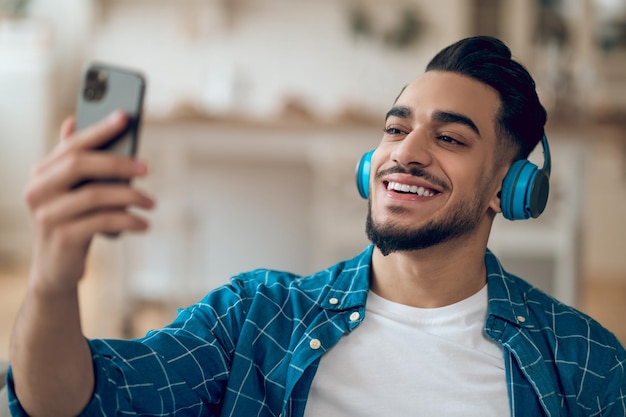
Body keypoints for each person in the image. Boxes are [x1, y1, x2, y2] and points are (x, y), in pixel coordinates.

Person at [5, 35, 626, 417]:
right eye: (394, 127)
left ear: (508, 188)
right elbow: (73, 402)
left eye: (449, 137)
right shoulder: (253, 319)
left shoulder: (585, 363)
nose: (405, 152)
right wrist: (54, 284)